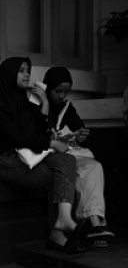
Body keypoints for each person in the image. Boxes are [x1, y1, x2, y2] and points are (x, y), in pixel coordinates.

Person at [0, 57, 92, 254]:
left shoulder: (23, 102)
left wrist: (44, 103)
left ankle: (63, 219)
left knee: (67, 160)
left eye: (28, 71)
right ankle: (58, 233)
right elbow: (17, 138)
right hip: (1, 160)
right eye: (22, 70)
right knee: (56, 179)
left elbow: (37, 133)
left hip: (26, 155)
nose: (27, 74)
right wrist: (52, 143)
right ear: (9, 73)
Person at [43, 66, 114, 248]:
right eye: (58, 91)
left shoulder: (67, 107)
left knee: (94, 166)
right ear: (47, 87)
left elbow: (78, 129)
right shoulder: (37, 103)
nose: (61, 96)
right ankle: (89, 224)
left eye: (65, 92)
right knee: (78, 169)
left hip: (68, 151)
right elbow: (36, 133)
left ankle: (95, 222)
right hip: (48, 154)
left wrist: (80, 135)